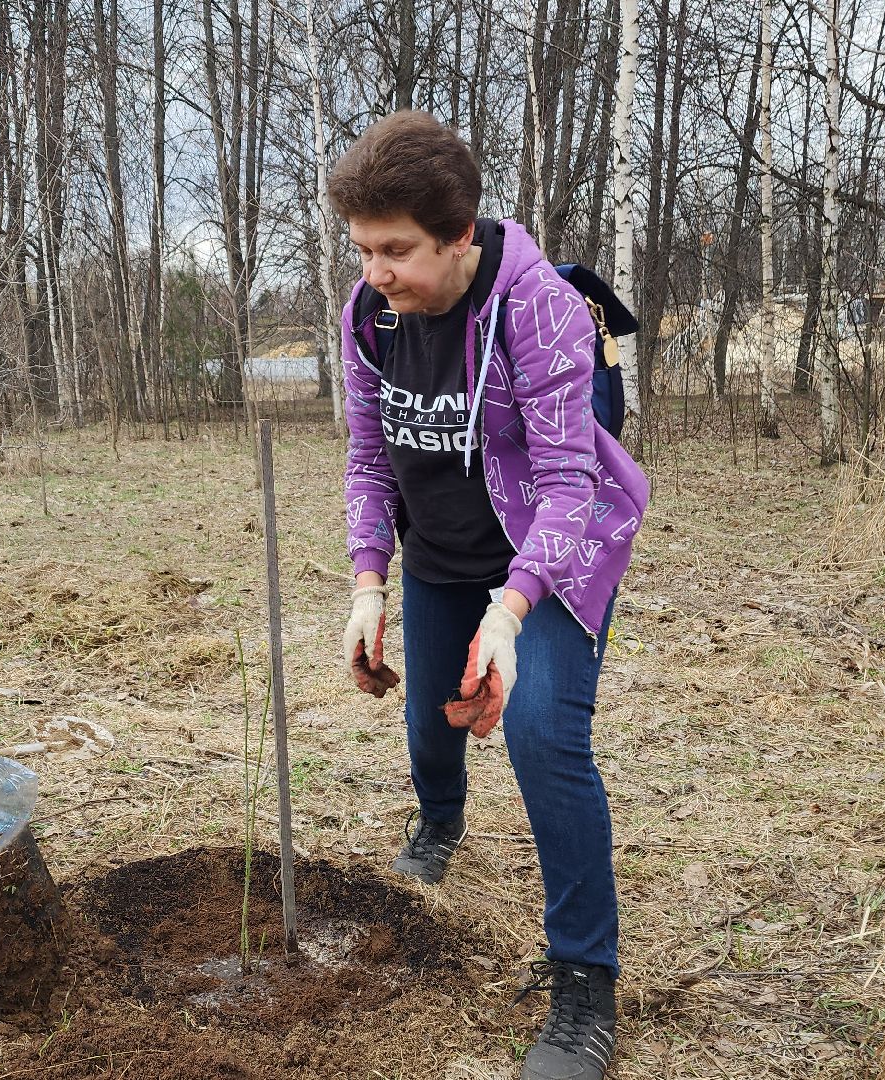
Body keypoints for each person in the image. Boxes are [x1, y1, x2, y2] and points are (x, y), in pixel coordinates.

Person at [329, 111, 650, 1080]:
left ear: (459, 235)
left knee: (541, 730)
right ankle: (438, 819)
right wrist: (365, 583)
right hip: (437, 555)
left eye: (396, 251)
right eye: (361, 249)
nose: (373, 271)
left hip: (543, 551)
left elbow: (567, 484)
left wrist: (509, 616)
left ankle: (584, 984)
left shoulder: (537, 308)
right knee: (432, 723)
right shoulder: (368, 317)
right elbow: (366, 457)